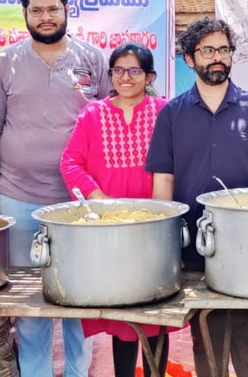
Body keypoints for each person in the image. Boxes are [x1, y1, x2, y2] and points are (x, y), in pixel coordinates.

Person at [0, 0, 111, 377]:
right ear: (25, 15)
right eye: (37, 10)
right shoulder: (3, 63)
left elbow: (107, 128)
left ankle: (76, 372)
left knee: (79, 298)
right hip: (18, 199)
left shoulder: (93, 59)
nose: (46, 17)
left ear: (67, 10)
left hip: (80, 203)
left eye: (53, 8)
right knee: (29, 302)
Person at [146, 17, 248, 377]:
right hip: (195, 245)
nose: (217, 57)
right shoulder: (171, 114)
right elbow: (163, 183)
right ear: (189, 59)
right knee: (205, 329)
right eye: (207, 50)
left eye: (224, 49)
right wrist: (166, 246)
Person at [60, 43, 171, 377]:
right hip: (108, 233)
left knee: (157, 312)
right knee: (123, 315)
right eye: (119, 70)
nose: (126, 77)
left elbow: (176, 164)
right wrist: (100, 200)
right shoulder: (93, 115)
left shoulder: (165, 112)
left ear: (149, 76)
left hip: (154, 230)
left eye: (135, 70)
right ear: (110, 75)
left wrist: (160, 219)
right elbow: (70, 162)